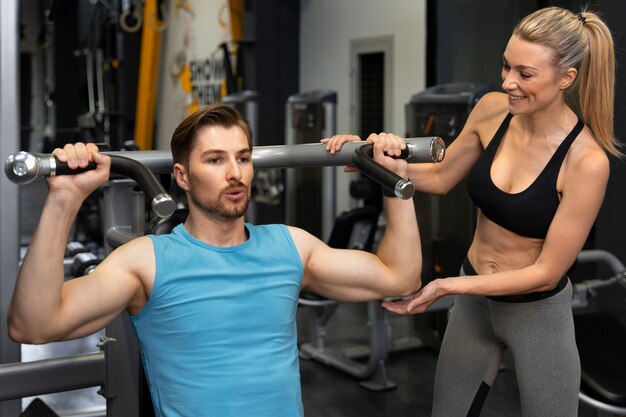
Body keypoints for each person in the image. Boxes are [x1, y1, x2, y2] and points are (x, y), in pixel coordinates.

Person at [8, 103, 422, 417]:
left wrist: (393, 181)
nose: (235, 173)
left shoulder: (290, 247)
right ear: (182, 176)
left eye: (242, 158)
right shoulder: (148, 261)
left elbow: (399, 277)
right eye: (215, 159)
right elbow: (34, 325)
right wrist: (64, 201)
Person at [323, 6, 619, 417]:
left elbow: (547, 271)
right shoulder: (493, 110)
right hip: (473, 306)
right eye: (506, 67)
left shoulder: (586, 161)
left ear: (566, 78)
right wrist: (374, 162)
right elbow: (442, 177)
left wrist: (446, 288)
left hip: (537, 316)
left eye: (525, 74)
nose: (508, 82)